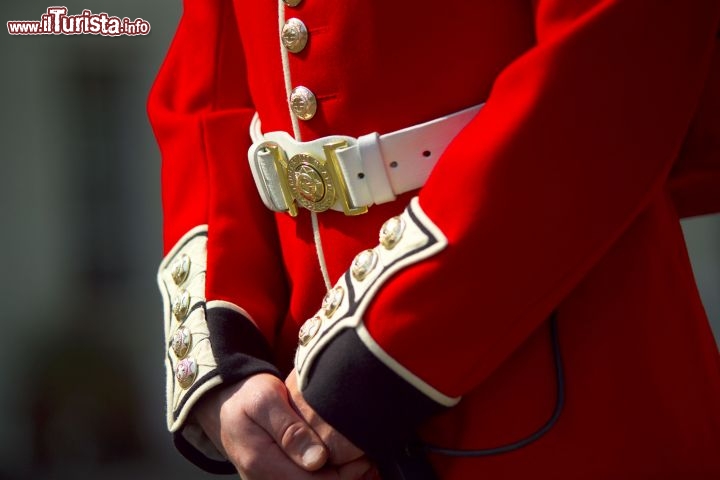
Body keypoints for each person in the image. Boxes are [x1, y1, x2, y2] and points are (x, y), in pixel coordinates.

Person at [148, 0, 720, 478]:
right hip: (296, 400)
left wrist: (369, 361)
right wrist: (226, 357)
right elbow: (211, 88)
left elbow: (610, 62)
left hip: (565, 390)